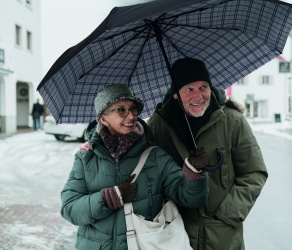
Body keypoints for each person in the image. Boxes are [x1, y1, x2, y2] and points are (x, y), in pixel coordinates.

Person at [60, 84, 209, 250]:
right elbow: (69, 209)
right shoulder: (86, 158)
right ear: (103, 118)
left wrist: (194, 173)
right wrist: (110, 199)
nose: (131, 116)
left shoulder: (155, 156)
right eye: (121, 110)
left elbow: (191, 198)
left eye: (133, 109)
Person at [147, 57, 268, 250]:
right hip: (175, 234)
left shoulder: (232, 121)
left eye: (203, 87)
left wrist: (227, 214)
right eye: (189, 89)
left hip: (222, 236)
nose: (199, 96)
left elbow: (254, 173)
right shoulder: (159, 125)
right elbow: (141, 162)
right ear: (176, 94)